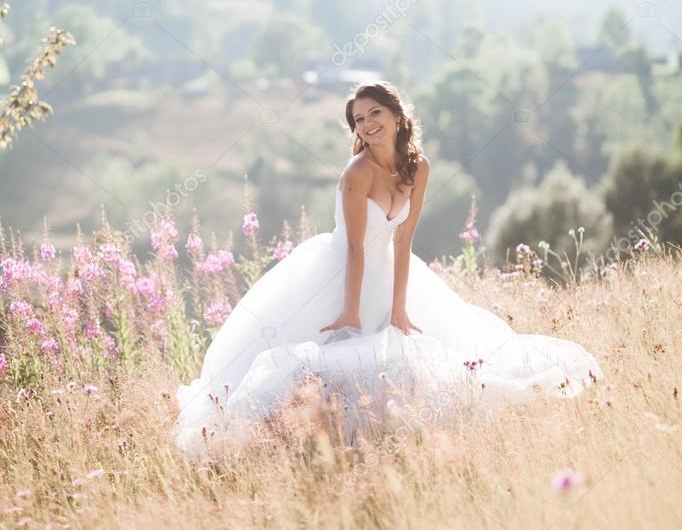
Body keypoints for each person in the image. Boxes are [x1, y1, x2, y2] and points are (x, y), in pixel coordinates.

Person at [173, 81, 604, 459]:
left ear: (397, 115)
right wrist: (349, 310)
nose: (367, 124)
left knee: (427, 348)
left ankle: (393, 434)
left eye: (374, 113)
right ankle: (294, 439)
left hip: (392, 270)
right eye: (359, 119)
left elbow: (404, 239)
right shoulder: (356, 174)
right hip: (339, 272)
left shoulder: (420, 166)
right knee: (332, 353)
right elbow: (356, 251)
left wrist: (399, 305)